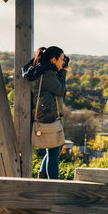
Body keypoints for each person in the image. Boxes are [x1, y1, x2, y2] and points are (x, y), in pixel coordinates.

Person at [22, 46, 69, 179]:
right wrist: (63, 73)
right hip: (47, 114)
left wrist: (59, 71)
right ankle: (54, 184)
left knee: (55, 149)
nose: (63, 62)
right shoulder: (47, 73)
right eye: (61, 59)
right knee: (54, 151)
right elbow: (61, 91)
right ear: (53, 60)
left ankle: (43, 177)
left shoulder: (43, 70)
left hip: (46, 112)